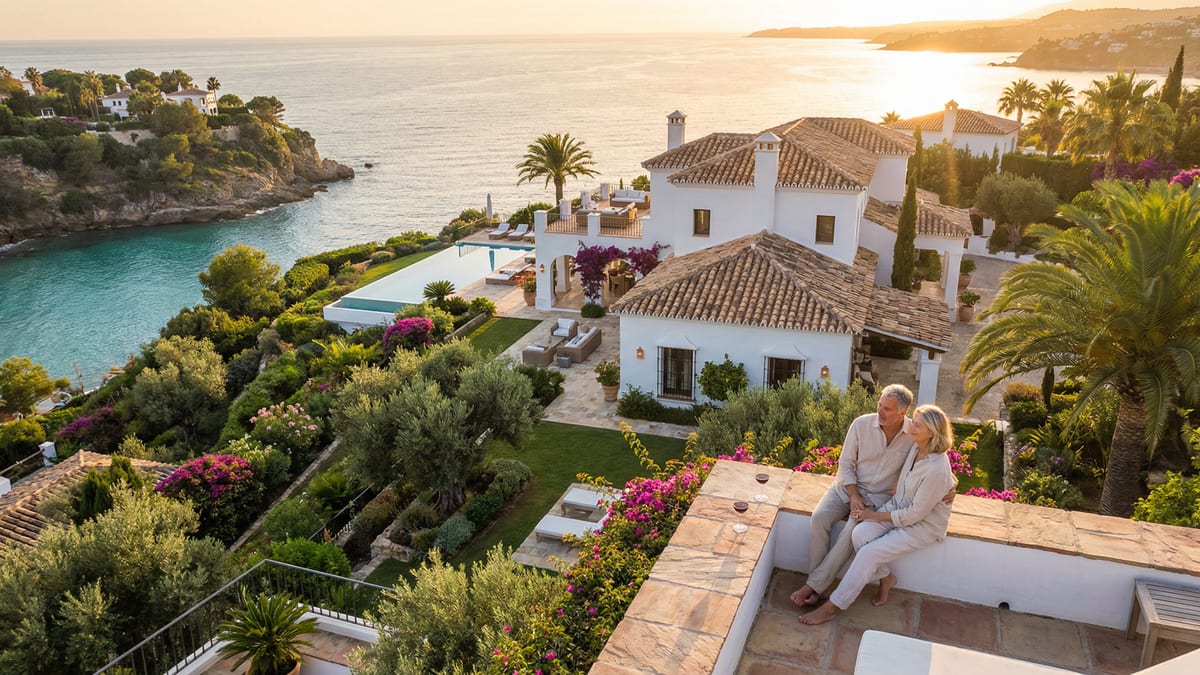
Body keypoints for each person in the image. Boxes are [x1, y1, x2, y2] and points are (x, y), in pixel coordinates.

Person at [799, 404, 958, 625]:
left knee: (868, 553)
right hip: (897, 508)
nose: (911, 427)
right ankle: (886, 577)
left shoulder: (936, 468)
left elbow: (914, 515)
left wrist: (873, 516)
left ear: (931, 432)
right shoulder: (916, 445)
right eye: (913, 422)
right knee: (859, 534)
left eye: (917, 425)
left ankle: (832, 606)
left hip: (922, 526)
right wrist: (951, 482)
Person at [790, 384, 915, 609]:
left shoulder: (913, 435)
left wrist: (951, 485)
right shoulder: (861, 424)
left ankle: (814, 587)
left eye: (887, 409)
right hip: (847, 488)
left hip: (877, 497)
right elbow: (846, 464)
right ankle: (817, 584)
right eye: (880, 404)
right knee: (819, 518)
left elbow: (936, 457)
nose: (880, 411)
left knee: (851, 531)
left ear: (902, 413)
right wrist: (853, 494)